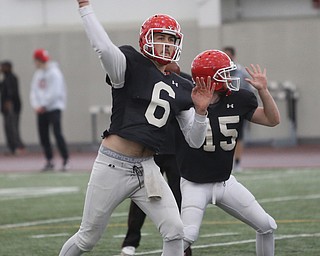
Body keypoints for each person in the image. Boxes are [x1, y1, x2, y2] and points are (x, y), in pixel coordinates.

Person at [59, 1, 213, 256]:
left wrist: (201, 112)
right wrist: (85, 7)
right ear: (146, 40)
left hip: (148, 167)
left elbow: (195, 141)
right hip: (113, 165)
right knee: (88, 237)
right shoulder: (129, 63)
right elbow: (103, 48)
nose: (165, 43)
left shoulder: (183, 85)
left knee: (176, 230)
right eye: (160, 37)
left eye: (170, 39)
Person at [175, 49, 280, 255]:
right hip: (194, 183)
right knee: (186, 237)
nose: (230, 78)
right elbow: (193, 141)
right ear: (208, 79)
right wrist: (200, 111)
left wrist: (264, 91)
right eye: (224, 73)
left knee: (267, 225)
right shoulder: (186, 102)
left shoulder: (239, 98)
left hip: (225, 181)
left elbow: (272, 120)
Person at [120, 63, 193, 256]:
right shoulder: (146, 79)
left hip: (178, 150)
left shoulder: (186, 81)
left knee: (179, 198)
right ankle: (131, 241)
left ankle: (184, 246)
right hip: (152, 150)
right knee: (141, 196)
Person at [30, 48, 69, 171]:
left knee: (57, 134)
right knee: (43, 136)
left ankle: (65, 160)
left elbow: (55, 92)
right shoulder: (38, 74)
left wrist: (44, 104)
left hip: (53, 108)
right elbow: (33, 91)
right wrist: (36, 105)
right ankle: (49, 160)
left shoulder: (54, 73)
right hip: (41, 110)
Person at [223, 46, 252, 172]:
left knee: (238, 137)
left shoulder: (241, 72)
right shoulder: (219, 70)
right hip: (222, 108)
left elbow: (247, 91)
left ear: (233, 56)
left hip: (237, 108)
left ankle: (238, 162)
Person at [0, 60, 25, 155]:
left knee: (12, 127)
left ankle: (18, 147)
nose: (1, 69)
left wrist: (8, 102)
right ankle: (12, 148)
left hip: (12, 107)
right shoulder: (5, 79)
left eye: (2, 67)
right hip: (6, 108)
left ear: (8, 67)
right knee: (8, 127)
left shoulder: (12, 78)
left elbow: (12, 92)